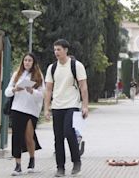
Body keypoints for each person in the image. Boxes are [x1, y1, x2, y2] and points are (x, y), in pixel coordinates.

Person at [44, 39, 88, 177]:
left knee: (69, 133)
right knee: (58, 138)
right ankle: (60, 168)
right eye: (55, 49)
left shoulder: (76, 65)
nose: (56, 52)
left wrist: (85, 106)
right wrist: (46, 108)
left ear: (66, 50)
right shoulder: (52, 68)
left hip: (72, 104)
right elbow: (48, 89)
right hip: (57, 106)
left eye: (59, 49)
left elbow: (83, 86)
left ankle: (76, 161)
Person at [5, 53, 45, 176]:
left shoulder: (38, 76)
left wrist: (32, 91)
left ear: (34, 63)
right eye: (25, 60)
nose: (27, 62)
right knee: (16, 136)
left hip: (31, 110)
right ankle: (17, 165)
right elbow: (7, 92)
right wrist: (14, 89)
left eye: (30, 60)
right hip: (17, 108)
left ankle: (32, 159)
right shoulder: (17, 75)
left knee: (29, 136)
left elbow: (42, 95)